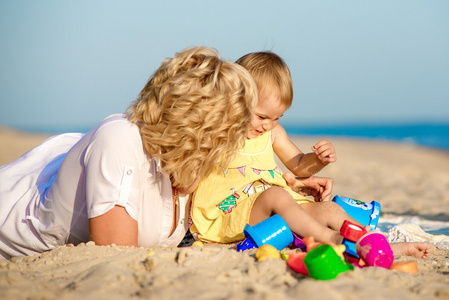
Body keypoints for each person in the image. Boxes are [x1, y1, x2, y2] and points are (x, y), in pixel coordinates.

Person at [0, 46, 259, 260]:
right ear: (203, 129)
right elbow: (117, 255)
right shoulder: (120, 140)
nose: (237, 141)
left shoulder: (188, 162)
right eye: (231, 129)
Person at [190, 51, 431, 258]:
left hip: (277, 208)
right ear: (235, 100)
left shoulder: (272, 133)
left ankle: (376, 245)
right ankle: (333, 239)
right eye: (262, 117)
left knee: (329, 210)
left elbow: (298, 165)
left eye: (277, 118)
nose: (268, 125)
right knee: (277, 195)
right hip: (230, 213)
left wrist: (316, 160)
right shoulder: (219, 132)